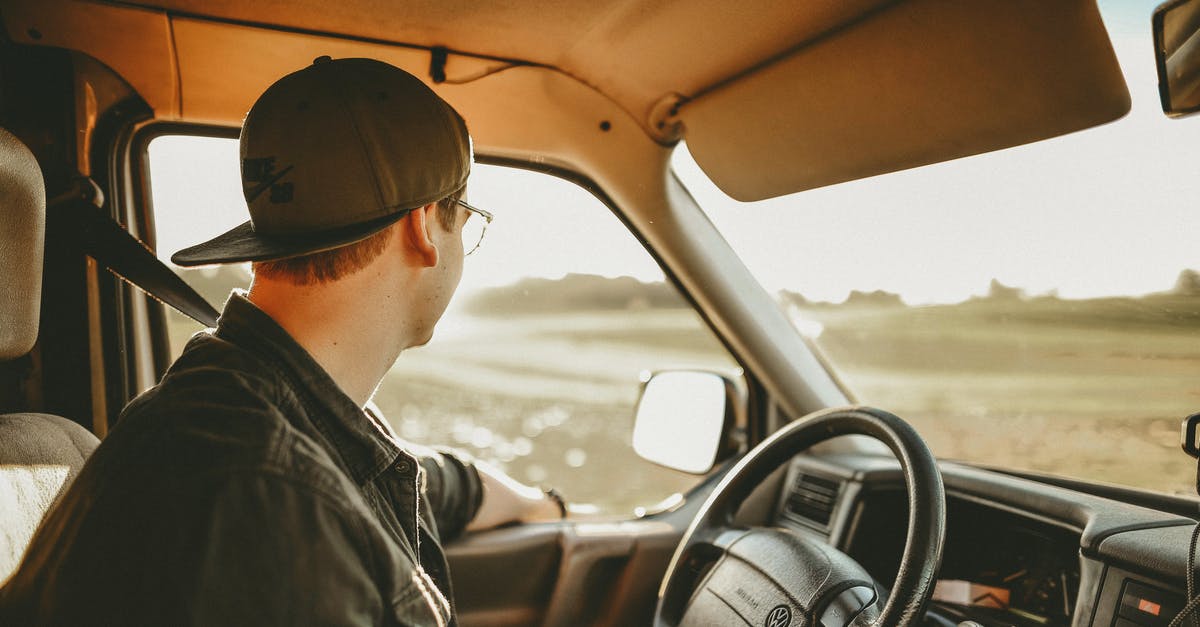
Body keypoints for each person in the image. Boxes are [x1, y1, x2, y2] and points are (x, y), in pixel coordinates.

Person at [0, 56, 562, 625]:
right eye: (464, 220)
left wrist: (543, 506)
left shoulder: (258, 404)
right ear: (423, 228)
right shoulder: (264, 506)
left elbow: (421, 484)